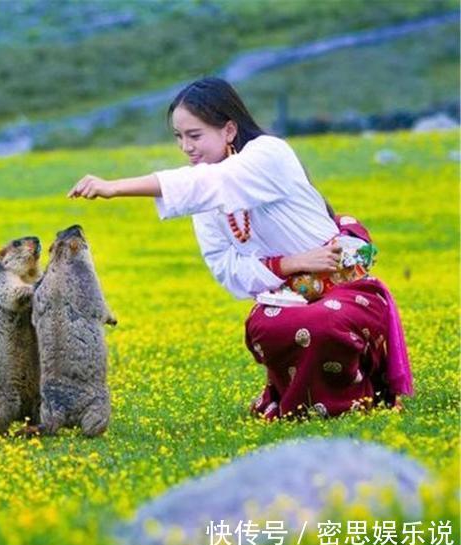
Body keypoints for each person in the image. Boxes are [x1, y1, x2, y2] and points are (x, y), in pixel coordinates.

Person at [67, 77, 413, 420]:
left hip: (343, 286)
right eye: (178, 137)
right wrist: (290, 264)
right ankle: (303, 402)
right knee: (267, 325)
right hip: (286, 293)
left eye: (195, 135)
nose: (186, 147)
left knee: (325, 320)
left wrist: (115, 187)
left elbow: (212, 183)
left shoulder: (268, 154)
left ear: (229, 130)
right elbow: (225, 266)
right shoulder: (205, 196)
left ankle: (356, 396)